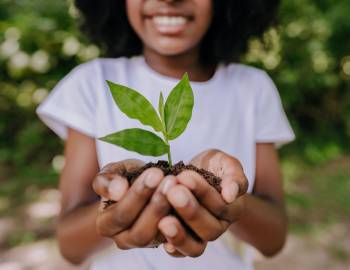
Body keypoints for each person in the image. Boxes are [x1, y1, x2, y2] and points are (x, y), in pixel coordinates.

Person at [37, 0, 295, 269]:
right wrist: (118, 209)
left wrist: (228, 201)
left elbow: (273, 239)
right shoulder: (91, 84)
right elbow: (69, 245)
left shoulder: (252, 88)